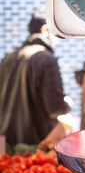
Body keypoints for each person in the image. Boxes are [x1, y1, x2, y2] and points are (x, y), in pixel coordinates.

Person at [0, 9, 70, 147]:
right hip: (34, 145)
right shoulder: (45, 58)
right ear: (45, 30)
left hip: (5, 142)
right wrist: (67, 105)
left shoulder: (8, 58)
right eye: (57, 33)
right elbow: (56, 108)